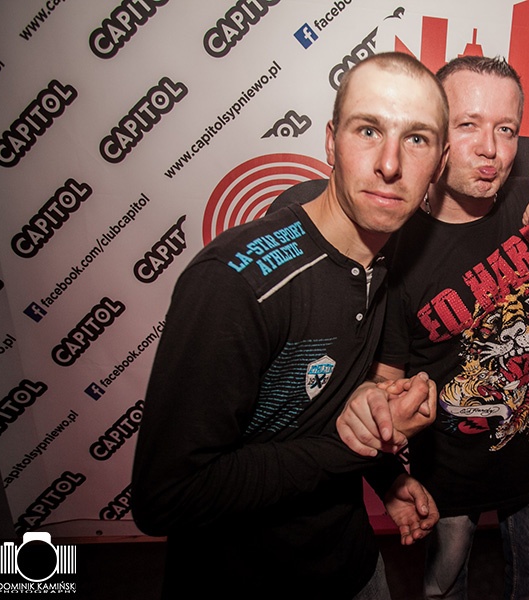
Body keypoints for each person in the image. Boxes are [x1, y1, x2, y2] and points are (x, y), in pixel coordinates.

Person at [130, 52, 449, 599]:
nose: (389, 163)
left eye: (416, 138)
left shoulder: (387, 254)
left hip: (352, 566)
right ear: (330, 143)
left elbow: (321, 408)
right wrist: (356, 450)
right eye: (368, 130)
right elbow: (167, 496)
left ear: (438, 165)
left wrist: (386, 477)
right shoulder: (234, 283)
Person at [337, 56, 529, 599]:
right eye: (468, 124)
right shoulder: (397, 248)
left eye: (506, 129)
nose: (490, 149)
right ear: (435, 132)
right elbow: (385, 384)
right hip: (447, 478)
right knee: (443, 589)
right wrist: (389, 448)